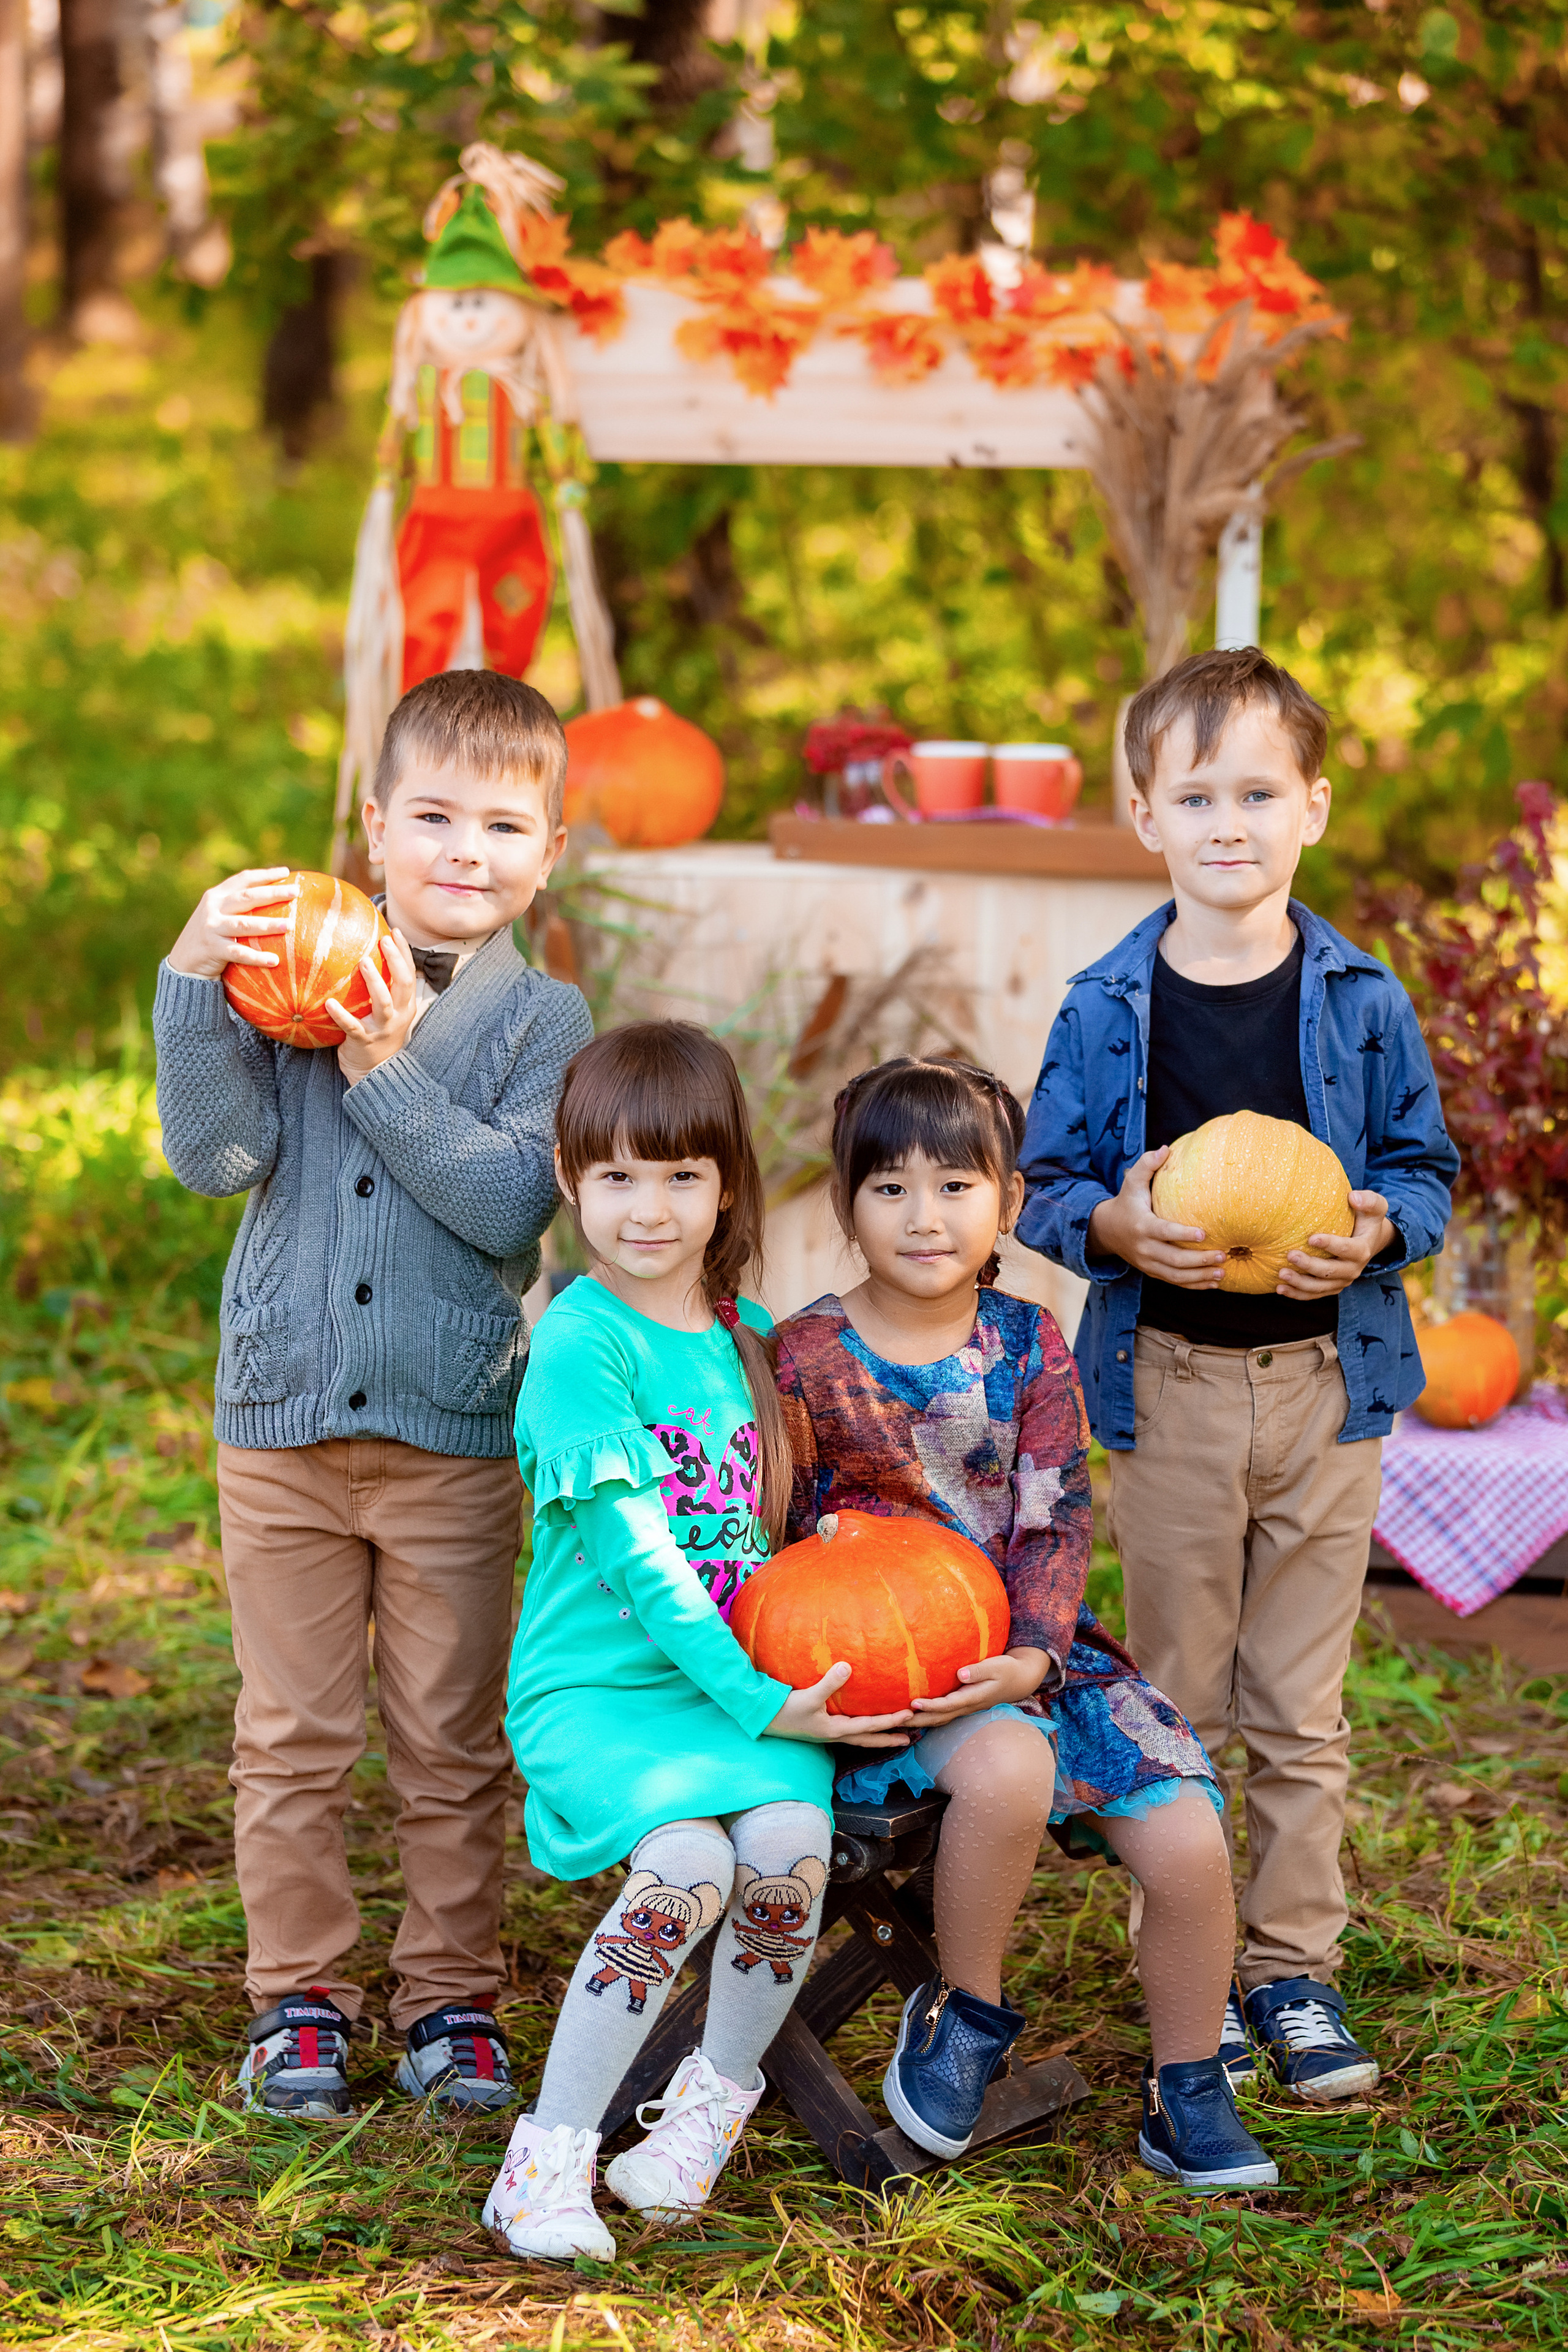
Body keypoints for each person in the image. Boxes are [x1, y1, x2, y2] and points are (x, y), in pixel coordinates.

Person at [1018, 647, 1458, 2101]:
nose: (1227, 820)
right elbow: (1042, 1186)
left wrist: (1381, 1227)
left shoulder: (1362, 999)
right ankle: (1189, 1981)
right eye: (1193, 792)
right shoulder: (1101, 1005)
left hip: (1329, 1387)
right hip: (1170, 1394)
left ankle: (1291, 1974)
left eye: (1257, 790)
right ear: (1142, 815)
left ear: (1312, 809)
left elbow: (1424, 1171)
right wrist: (1109, 1225)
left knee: (1300, 1709)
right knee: (1177, 1703)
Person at [153, 669, 594, 2119]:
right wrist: (191, 980)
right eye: (434, 817)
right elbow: (215, 1160)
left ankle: (451, 1997)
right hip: (278, 1429)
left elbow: (506, 1207)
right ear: (374, 824)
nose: (465, 850)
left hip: (452, 1436)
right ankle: (298, 1997)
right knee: (289, 1734)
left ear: (550, 849)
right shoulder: (293, 974)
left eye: (502, 825)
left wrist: (391, 1071)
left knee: (450, 1736)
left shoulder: (546, 1022)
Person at [774, 1057, 1280, 2195]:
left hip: (1034, 1650)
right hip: (889, 1678)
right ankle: (965, 2013)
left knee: (1189, 1832)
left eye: (956, 1186)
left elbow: (1055, 1518)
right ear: (846, 1204)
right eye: (889, 1187)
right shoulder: (804, 1356)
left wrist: (1034, 1655)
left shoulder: (1030, 1341)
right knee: (1003, 1772)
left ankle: (1188, 2087)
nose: (922, 1216)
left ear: (1007, 1205)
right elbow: (781, 1540)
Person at [484, 1022, 913, 2262]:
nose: (649, 1209)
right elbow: (645, 1561)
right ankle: (549, 2156)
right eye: (616, 1177)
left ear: (725, 1182)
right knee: (684, 1874)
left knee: (785, 1855)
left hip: (740, 1685)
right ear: (570, 1184)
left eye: (680, 1176)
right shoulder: (581, 1343)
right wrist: (764, 1703)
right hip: (608, 1690)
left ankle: (700, 2118)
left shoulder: (748, 1339)